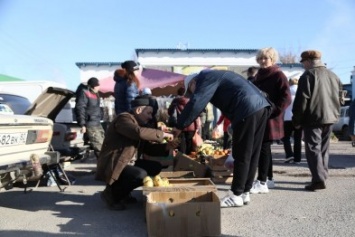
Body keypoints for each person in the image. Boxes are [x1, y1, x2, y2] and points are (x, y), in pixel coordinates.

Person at [172, 69, 271, 207]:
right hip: (261, 106)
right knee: (252, 152)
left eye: (191, 90)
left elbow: (196, 102)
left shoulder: (204, 78)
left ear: (193, 82)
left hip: (247, 108)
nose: (193, 93)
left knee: (242, 153)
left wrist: (179, 125)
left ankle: (236, 195)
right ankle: (244, 192)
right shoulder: (217, 75)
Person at [96, 96, 179, 210]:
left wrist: (167, 146)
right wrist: (162, 134)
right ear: (139, 110)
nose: (150, 117)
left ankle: (124, 193)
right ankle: (111, 194)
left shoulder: (139, 124)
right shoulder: (123, 119)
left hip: (127, 162)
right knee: (140, 174)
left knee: (155, 167)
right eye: (149, 113)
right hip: (114, 162)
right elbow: (138, 133)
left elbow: (147, 148)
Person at [292, 50, 342, 191]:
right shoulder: (334, 76)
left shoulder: (308, 75)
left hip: (313, 118)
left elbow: (301, 101)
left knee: (313, 149)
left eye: (303, 63)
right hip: (330, 117)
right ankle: (322, 176)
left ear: (308, 61)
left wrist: (296, 120)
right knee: (324, 149)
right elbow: (340, 98)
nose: (303, 66)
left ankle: (318, 180)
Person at [250, 47, 291, 194]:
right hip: (259, 116)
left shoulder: (278, 75)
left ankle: (262, 182)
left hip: (270, 117)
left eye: (265, 58)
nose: (262, 61)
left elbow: (286, 98)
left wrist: (274, 111)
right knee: (264, 149)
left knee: (263, 149)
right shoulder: (257, 76)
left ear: (272, 59)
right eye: (260, 58)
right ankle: (269, 179)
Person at [75, 77, 106, 159]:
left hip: (97, 122)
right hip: (90, 123)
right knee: (99, 146)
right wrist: (82, 124)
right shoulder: (84, 93)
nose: (98, 87)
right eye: (97, 86)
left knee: (103, 145)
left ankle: (103, 167)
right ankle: (103, 169)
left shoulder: (96, 93)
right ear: (92, 86)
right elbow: (80, 108)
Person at [168, 88, 200, 155]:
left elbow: (169, 112)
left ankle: (182, 158)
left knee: (181, 143)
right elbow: (195, 114)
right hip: (191, 125)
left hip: (180, 125)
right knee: (190, 143)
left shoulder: (176, 101)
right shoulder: (191, 100)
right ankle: (189, 159)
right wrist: (197, 126)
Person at [283, 78, 303, 164]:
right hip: (298, 118)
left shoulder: (286, 93)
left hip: (287, 118)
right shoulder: (301, 93)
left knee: (286, 138)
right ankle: (297, 158)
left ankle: (289, 155)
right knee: (297, 139)